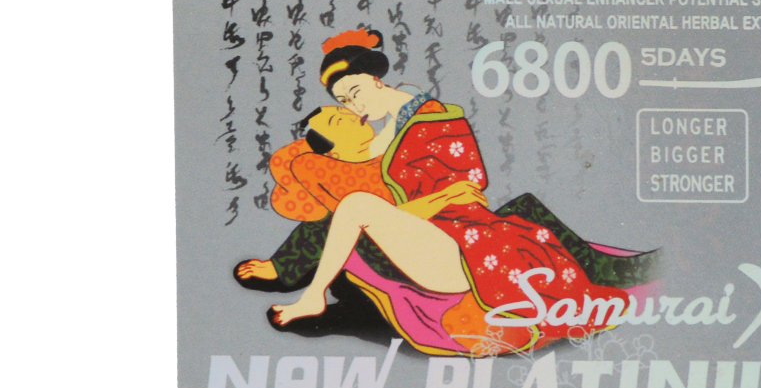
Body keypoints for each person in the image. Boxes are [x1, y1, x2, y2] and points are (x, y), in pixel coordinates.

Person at [243, 28, 661, 356]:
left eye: (354, 95)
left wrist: (438, 199)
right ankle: (295, 278)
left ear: (374, 79)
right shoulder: (377, 138)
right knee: (347, 209)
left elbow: (466, 188)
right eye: (344, 105)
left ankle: (311, 294)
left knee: (355, 206)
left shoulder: (431, 121)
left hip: (460, 244)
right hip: (422, 241)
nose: (355, 109)